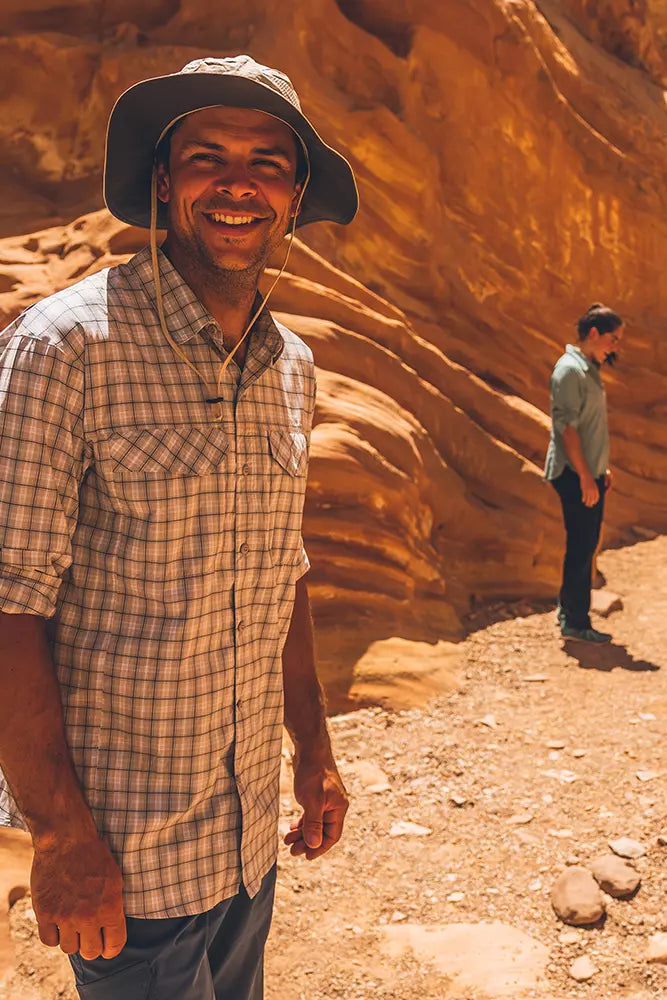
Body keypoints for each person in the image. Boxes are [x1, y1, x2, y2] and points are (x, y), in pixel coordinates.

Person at [0, 55, 358, 1000]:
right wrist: (57, 832)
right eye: (208, 157)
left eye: (267, 164)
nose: (237, 184)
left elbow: (281, 572)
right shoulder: (67, 343)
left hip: (245, 841)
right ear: (164, 184)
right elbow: (9, 601)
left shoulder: (289, 366)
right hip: (126, 851)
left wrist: (311, 750)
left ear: (293, 198)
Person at [544, 302, 623, 644]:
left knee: (586, 543)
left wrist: (601, 467)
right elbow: (567, 429)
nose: (615, 346)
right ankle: (575, 622)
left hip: (589, 472)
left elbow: (591, 426)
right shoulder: (569, 370)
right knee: (581, 545)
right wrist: (585, 476)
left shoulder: (588, 369)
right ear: (594, 333)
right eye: (613, 338)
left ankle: (571, 613)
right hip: (573, 474)